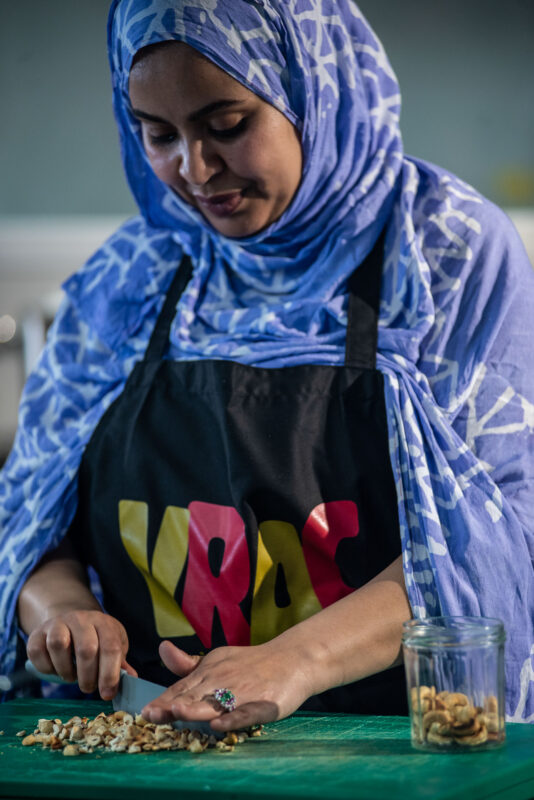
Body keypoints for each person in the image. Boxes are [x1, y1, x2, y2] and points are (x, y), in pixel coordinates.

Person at [1, 0, 533, 729]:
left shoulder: (440, 251)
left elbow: (497, 535)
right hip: (152, 740)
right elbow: (31, 517)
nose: (195, 169)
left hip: (386, 740)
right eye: (158, 134)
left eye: (227, 125)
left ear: (312, 93)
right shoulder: (132, 275)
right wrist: (62, 610)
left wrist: (296, 660)